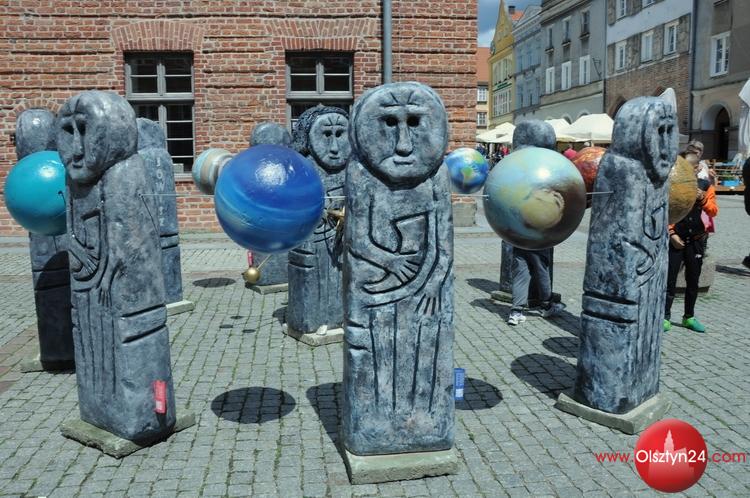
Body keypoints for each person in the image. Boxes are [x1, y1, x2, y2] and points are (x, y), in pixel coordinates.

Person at [664, 152, 719, 333]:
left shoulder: (705, 185)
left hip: (696, 240)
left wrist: (702, 199)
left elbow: (713, 211)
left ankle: (689, 316)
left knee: (693, 280)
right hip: (676, 239)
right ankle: (665, 316)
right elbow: (667, 210)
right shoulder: (673, 184)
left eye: (689, 168)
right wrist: (671, 233)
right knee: (669, 280)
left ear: (697, 168)